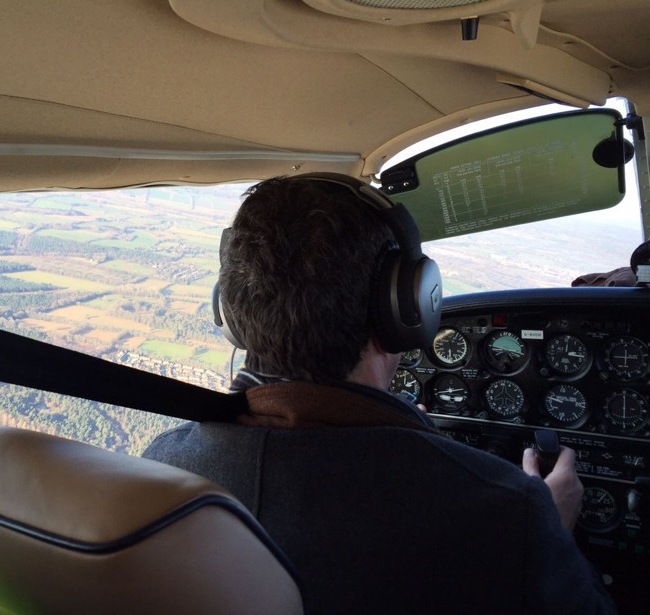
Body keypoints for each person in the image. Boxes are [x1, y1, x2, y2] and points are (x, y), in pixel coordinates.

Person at [143, 173, 615, 614]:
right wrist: (555, 530)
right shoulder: (509, 513)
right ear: (404, 307)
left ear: (228, 308)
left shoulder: (161, 474)